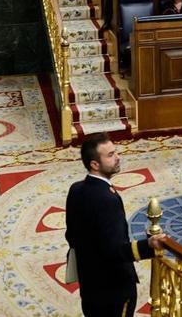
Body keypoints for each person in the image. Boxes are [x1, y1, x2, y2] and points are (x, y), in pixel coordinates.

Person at [66, 133, 168, 317]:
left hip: (89, 285)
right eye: (110, 155)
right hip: (113, 291)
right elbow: (115, 250)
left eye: (116, 152)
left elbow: (71, 235)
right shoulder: (106, 199)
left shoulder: (76, 189)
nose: (118, 157)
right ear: (94, 164)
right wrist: (149, 246)